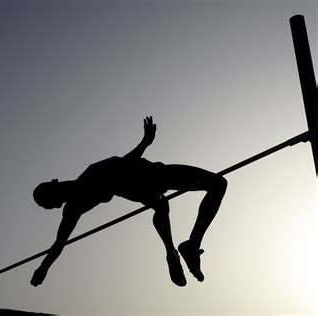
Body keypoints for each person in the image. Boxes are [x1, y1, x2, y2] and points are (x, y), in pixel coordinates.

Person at [30, 116, 227, 287]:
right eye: (52, 200)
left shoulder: (74, 207)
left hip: (138, 187)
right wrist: (145, 142)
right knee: (217, 184)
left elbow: (59, 243)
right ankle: (186, 248)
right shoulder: (88, 181)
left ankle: (173, 251)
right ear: (55, 200)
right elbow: (124, 165)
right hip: (152, 176)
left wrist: (43, 267)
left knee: (161, 205)